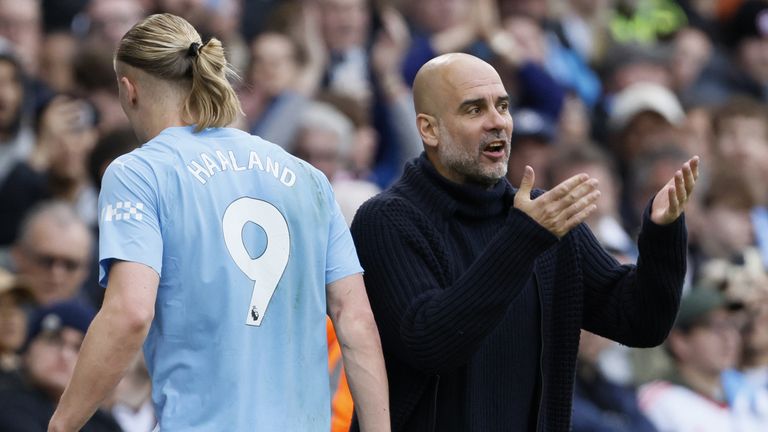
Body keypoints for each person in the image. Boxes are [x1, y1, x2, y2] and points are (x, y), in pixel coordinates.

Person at [48, 13, 389, 432]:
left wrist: (62, 424)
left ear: (128, 89)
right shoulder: (309, 177)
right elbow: (356, 322)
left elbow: (130, 312)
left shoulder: (138, 172)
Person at [349, 52, 698, 431]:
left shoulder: (544, 222)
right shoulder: (387, 219)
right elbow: (431, 343)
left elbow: (642, 322)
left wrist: (663, 233)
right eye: (473, 110)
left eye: (502, 106)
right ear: (429, 130)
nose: (497, 122)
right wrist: (524, 240)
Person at [0, 300, 122, 432]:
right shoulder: (7, 405)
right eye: (54, 340)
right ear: (27, 350)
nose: (65, 355)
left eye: (78, 347)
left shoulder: (101, 422)